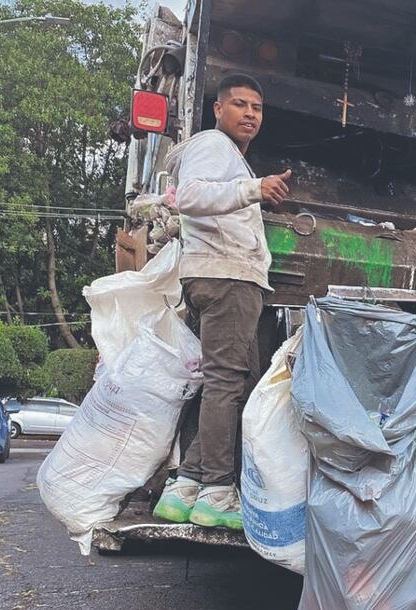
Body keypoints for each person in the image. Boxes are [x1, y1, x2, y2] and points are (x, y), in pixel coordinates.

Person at [152, 73, 293, 530]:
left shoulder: (229, 155)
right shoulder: (213, 144)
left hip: (227, 276)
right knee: (225, 385)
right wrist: (254, 189)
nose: (250, 113)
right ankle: (217, 491)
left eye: (257, 107)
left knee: (235, 381)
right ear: (218, 109)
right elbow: (191, 197)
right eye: (239, 104)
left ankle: (185, 487)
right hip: (226, 277)